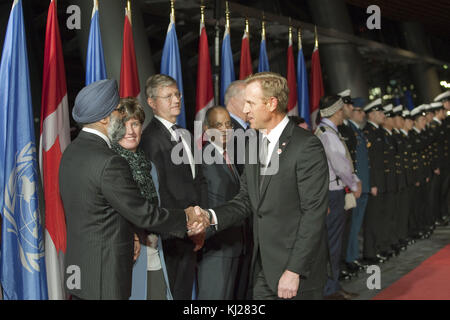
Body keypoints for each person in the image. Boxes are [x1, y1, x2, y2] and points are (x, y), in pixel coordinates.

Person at [59, 79, 208, 300]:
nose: (121, 117)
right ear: (103, 117)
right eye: (118, 111)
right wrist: (185, 216)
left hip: (80, 271)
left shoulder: (71, 152)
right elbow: (143, 213)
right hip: (105, 274)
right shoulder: (110, 161)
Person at [196, 72, 330, 300]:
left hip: (296, 273)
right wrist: (209, 216)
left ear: (271, 104)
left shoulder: (306, 146)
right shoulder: (252, 144)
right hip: (262, 271)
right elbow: (246, 199)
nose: (245, 110)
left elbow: (313, 214)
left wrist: (293, 270)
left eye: (250, 103)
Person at [140, 74, 208, 300]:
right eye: (168, 96)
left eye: (177, 94)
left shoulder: (185, 134)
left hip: (191, 230)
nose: (176, 100)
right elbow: (157, 192)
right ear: (151, 103)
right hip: (171, 234)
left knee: (185, 293)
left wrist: (200, 221)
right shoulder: (149, 139)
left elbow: (196, 179)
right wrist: (185, 225)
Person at [108, 98, 172, 300]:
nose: (130, 131)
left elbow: (157, 210)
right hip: (127, 255)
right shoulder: (110, 165)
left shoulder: (150, 166)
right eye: (124, 124)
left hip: (155, 251)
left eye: (135, 124)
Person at [315, 95, 361, 300]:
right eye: (342, 110)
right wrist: (353, 183)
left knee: (333, 243)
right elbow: (341, 165)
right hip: (332, 193)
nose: (344, 113)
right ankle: (329, 290)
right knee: (332, 243)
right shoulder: (328, 134)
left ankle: (333, 286)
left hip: (333, 191)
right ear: (335, 112)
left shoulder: (329, 131)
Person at [197, 106, 243, 300]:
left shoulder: (230, 155)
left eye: (228, 124)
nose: (225, 129)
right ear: (207, 129)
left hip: (235, 243)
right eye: (218, 125)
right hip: (216, 247)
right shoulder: (204, 159)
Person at [224, 80, 253, 299]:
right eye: (247, 101)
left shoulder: (246, 130)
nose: (250, 107)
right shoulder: (229, 131)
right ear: (234, 102)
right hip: (238, 214)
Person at [344, 102, 370, 274]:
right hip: (354, 185)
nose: (361, 114)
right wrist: (354, 182)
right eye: (357, 110)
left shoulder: (357, 131)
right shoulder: (348, 131)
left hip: (361, 183)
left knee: (356, 223)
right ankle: (349, 258)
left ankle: (353, 256)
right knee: (352, 225)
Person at [362, 98, 388, 264]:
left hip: (382, 181)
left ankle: (377, 247)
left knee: (380, 217)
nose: (383, 115)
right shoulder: (368, 133)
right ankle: (370, 252)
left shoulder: (379, 131)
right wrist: (372, 183)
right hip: (375, 182)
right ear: (371, 114)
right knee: (372, 219)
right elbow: (369, 162)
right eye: (380, 112)